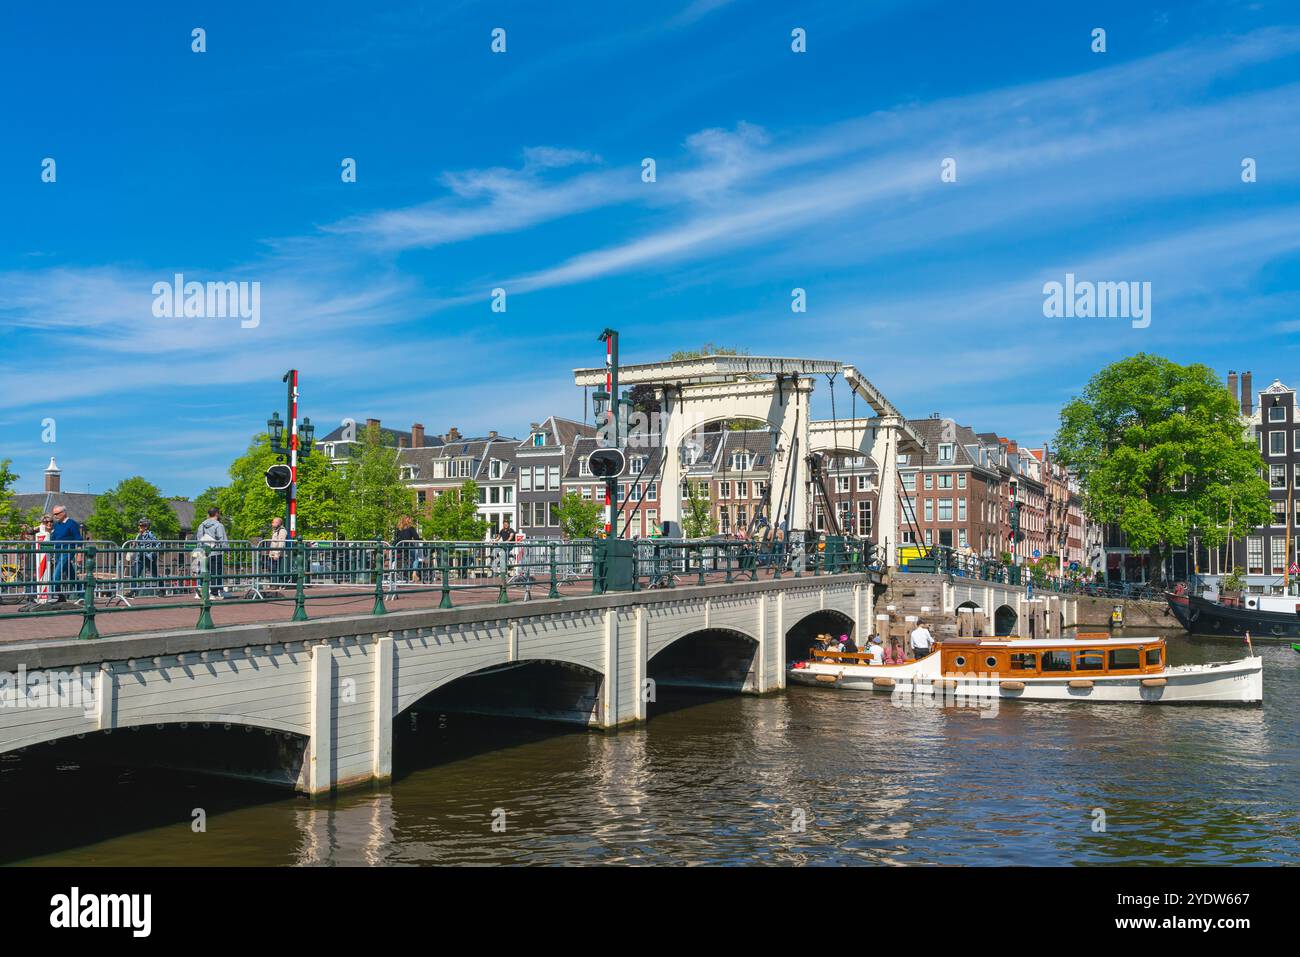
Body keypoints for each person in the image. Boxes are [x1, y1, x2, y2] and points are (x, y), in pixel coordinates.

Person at [49, 505, 82, 601]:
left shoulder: (72, 524)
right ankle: (82, 593)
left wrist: (79, 554)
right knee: (71, 574)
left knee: (56, 574)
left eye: (56, 514)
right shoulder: (56, 524)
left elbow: (78, 539)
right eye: (54, 514)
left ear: (63, 513)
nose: (54, 516)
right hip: (58, 552)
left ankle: (57, 594)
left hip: (67, 552)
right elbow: (53, 538)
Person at [195, 507, 229, 598]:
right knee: (216, 572)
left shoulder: (201, 525)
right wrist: (227, 550)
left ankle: (202, 591)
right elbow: (222, 539)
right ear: (217, 514)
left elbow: (199, 538)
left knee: (204, 571)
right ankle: (214, 593)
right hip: (215, 552)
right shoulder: (219, 525)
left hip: (203, 551)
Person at [128, 518, 160, 597]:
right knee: (135, 574)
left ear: (146, 527)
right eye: (139, 526)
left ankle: (162, 590)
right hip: (140, 558)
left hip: (149, 558)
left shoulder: (150, 534)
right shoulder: (138, 535)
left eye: (141, 526)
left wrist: (152, 551)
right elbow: (135, 545)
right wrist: (133, 545)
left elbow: (158, 544)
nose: (139, 527)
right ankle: (132, 592)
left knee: (155, 575)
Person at [393, 515, 421, 583]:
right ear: (408, 521)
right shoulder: (411, 528)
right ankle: (414, 573)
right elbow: (416, 538)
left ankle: (393, 572)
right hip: (408, 547)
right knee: (416, 558)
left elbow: (396, 538)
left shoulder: (398, 529)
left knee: (395, 558)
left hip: (399, 548)